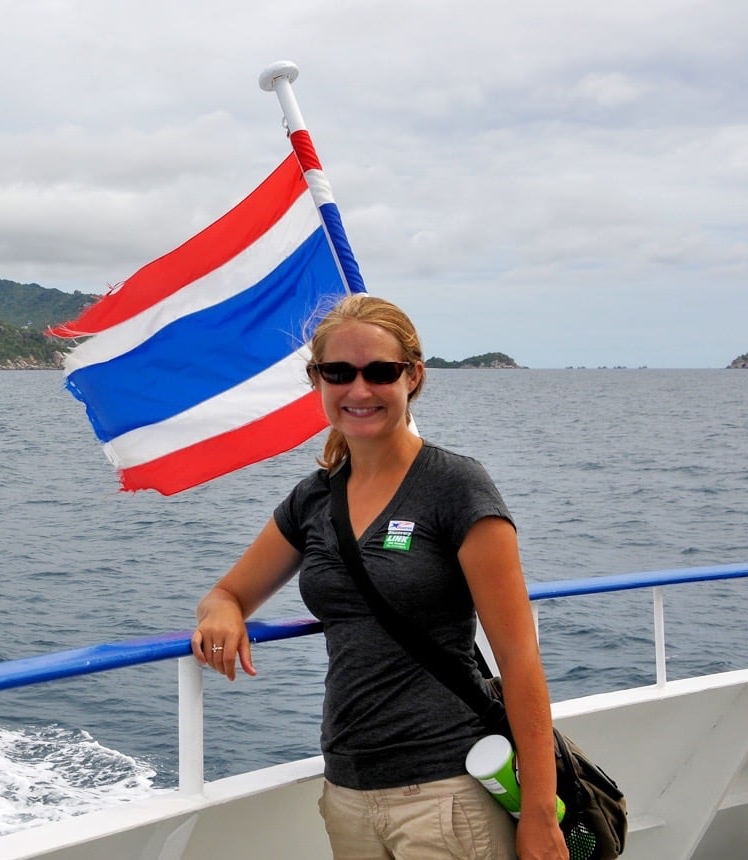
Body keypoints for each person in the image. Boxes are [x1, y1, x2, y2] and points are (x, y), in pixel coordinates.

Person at [192, 295, 567, 860]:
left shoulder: (455, 487)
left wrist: (540, 811)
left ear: (412, 377)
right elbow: (229, 590)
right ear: (316, 379)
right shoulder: (316, 498)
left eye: (380, 372)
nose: (359, 390)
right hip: (347, 793)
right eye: (339, 372)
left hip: (448, 793)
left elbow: (518, 657)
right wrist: (221, 610)